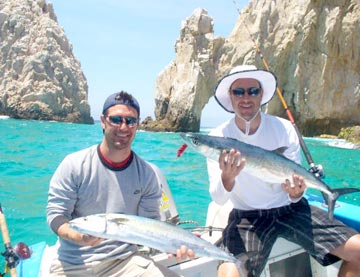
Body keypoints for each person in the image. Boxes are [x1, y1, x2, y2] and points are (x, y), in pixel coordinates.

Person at [207, 65, 360, 277]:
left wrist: (296, 193)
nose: (246, 98)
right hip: (247, 218)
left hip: (291, 210)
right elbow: (218, 198)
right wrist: (227, 178)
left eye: (253, 91)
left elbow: (295, 189)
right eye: (238, 92)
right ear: (230, 96)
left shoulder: (284, 128)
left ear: (261, 95)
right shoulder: (218, 136)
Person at [46, 91, 194, 276]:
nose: (123, 127)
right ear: (102, 121)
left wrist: (175, 244)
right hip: (73, 263)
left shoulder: (148, 174)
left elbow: (150, 227)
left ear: (137, 125)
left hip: (125, 261)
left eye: (131, 121)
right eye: (116, 119)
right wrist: (79, 237)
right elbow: (56, 216)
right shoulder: (74, 164)